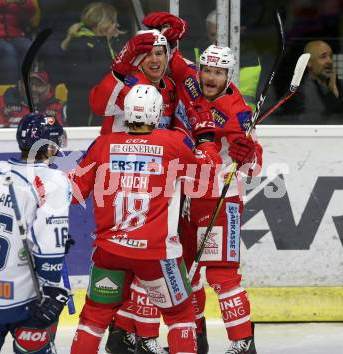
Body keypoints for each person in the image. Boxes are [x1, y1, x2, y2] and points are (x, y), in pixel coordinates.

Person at [69, 84, 217, 354]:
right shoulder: (173, 142)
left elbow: (74, 191)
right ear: (157, 112)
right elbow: (206, 175)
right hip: (156, 255)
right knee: (180, 315)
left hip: (109, 250)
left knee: (94, 317)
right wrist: (206, 140)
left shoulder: (103, 144)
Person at [171, 44, 262, 354]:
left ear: (228, 76)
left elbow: (256, 166)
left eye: (218, 73)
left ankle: (243, 343)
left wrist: (246, 153)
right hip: (186, 198)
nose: (211, 77)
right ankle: (195, 340)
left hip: (222, 201)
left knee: (221, 276)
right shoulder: (192, 89)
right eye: (207, 70)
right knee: (187, 273)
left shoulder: (238, 111)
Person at [0, 112, 72, 354]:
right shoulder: (54, 181)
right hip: (23, 299)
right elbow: (49, 248)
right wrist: (52, 290)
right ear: (50, 147)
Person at [62, 2, 126, 126]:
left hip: (103, 107)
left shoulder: (106, 44)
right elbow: (92, 77)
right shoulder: (82, 44)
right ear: (103, 24)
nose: (117, 25)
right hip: (86, 113)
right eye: (113, 22)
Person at [282, 40, 343, 124]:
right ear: (308, 62)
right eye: (323, 57)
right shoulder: (300, 92)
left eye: (331, 57)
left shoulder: (334, 85)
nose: (330, 61)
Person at [0, 71, 65, 128]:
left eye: (39, 85)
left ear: (48, 88)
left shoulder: (56, 106)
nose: (33, 89)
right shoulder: (0, 102)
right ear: (19, 84)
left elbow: (58, 135)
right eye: (28, 84)